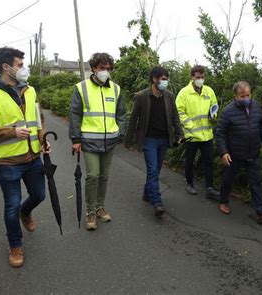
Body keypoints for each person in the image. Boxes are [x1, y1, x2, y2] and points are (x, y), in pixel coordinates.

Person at [0, 47, 50, 267]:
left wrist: (44, 140)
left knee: (39, 195)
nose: (23, 68)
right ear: (6, 67)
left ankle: (26, 213)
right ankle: (15, 245)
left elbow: (38, 120)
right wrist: (11, 132)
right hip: (7, 162)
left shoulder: (30, 90)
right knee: (11, 205)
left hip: (33, 157)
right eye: (19, 65)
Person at [69, 52, 125, 231]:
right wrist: (75, 139)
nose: (105, 71)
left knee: (104, 176)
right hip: (89, 141)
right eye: (102, 68)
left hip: (109, 141)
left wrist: (119, 132)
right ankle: (90, 212)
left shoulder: (115, 89)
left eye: (108, 69)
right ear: (93, 68)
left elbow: (121, 114)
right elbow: (75, 115)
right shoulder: (81, 88)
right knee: (93, 175)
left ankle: (100, 207)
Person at [215, 81, 262, 223]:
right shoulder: (228, 111)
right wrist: (223, 152)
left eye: (248, 95)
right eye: (242, 96)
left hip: (253, 152)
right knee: (228, 179)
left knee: (256, 182)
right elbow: (220, 134)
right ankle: (223, 201)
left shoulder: (256, 106)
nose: (245, 98)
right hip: (234, 154)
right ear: (235, 97)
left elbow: (261, 127)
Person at [124, 66, 184, 216]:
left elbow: (175, 116)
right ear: (154, 79)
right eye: (162, 79)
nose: (165, 82)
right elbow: (133, 119)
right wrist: (128, 139)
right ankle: (157, 202)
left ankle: (147, 192)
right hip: (148, 139)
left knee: (155, 170)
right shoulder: (141, 96)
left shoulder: (169, 96)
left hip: (164, 138)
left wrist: (180, 133)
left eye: (166, 79)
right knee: (152, 170)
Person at [176, 65, 220, 199]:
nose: (200, 79)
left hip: (207, 135)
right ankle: (189, 183)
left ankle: (209, 188)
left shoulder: (209, 91)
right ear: (192, 78)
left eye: (202, 77)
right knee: (189, 161)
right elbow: (180, 112)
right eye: (198, 77)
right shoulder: (184, 93)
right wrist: (190, 126)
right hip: (191, 135)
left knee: (208, 162)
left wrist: (214, 115)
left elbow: (214, 105)